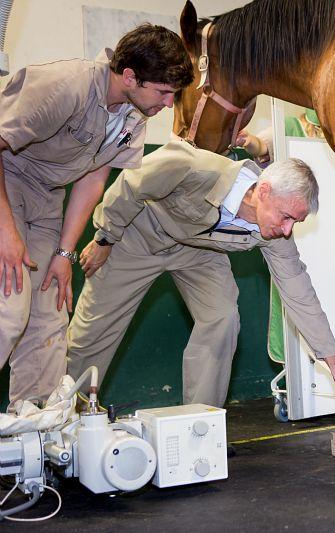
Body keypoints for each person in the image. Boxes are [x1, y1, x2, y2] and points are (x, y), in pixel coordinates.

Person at [66, 141, 335, 418]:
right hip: (139, 238)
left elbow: (301, 297)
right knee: (94, 329)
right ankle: (63, 415)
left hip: (199, 252)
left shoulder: (275, 233)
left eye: (296, 222)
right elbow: (132, 184)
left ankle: (199, 423)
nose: (287, 231)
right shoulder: (194, 167)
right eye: (286, 217)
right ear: (263, 191)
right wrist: (105, 238)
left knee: (223, 318)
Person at [0, 24, 193, 406]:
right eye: (164, 92)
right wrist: (6, 233)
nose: (169, 104)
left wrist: (65, 253)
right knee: (9, 311)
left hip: (47, 199)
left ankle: (33, 430)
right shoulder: (63, 85)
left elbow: (93, 178)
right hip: (8, 182)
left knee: (49, 316)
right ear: (129, 76)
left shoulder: (136, 113)